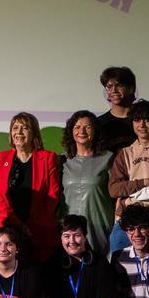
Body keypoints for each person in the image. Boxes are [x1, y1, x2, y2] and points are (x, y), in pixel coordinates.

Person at [0, 111, 61, 264]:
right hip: (8, 230)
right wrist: (15, 223)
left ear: (34, 133)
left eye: (25, 128)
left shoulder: (48, 158)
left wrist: (29, 225)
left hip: (39, 230)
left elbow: (53, 195)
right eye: (15, 128)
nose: (19, 132)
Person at [108, 99, 149, 252]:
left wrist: (130, 198)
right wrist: (144, 182)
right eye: (137, 120)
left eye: (147, 120)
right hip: (125, 223)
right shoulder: (125, 153)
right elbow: (114, 189)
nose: (142, 125)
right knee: (118, 264)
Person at [59, 109, 115, 260]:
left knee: (98, 266)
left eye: (87, 127)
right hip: (68, 228)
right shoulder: (62, 160)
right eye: (77, 127)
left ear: (95, 131)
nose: (82, 131)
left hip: (98, 225)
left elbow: (117, 194)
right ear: (71, 131)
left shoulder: (108, 158)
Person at [95, 66, 138, 152]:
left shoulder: (146, 121)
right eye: (109, 87)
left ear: (131, 89)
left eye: (119, 85)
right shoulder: (99, 123)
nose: (114, 90)